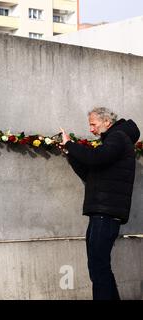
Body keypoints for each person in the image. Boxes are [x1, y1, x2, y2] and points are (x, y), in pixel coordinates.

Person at [59, 107, 140, 300]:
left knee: (98, 266)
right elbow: (90, 175)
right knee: (99, 265)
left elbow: (96, 158)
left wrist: (71, 145)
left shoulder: (118, 137)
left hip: (105, 212)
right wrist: (70, 153)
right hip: (101, 212)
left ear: (107, 122)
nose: (91, 130)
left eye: (93, 124)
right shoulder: (112, 142)